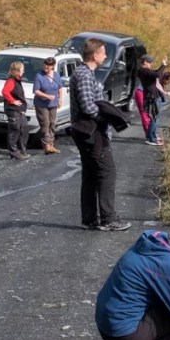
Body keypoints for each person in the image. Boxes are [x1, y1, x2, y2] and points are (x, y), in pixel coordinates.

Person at [70, 38, 131, 232]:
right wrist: (107, 119)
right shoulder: (85, 75)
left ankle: (90, 218)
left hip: (87, 131)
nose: (105, 56)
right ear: (95, 55)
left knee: (90, 175)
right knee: (107, 172)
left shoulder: (83, 73)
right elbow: (88, 106)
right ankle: (108, 218)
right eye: (103, 52)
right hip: (91, 132)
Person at [32, 56, 63, 155]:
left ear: (52, 66)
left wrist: (60, 99)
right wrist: (46, 96)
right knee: (45, 124)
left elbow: (60, 87)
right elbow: (36, 91)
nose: (46, 66)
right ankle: (46, 146)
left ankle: (51, 144)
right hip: (41, 104)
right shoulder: (39, 76)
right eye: (45, 64)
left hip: (53, 104)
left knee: (52, 123)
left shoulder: (56, 75)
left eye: (48, 65)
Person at [1, 60, 31, 161]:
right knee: (14, 131)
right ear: (17, 71)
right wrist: (13, 101)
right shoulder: (11, 81)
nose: (24, 71)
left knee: (24, 128)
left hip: (19, 110)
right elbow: (5, 92)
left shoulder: (17, 81)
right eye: (22, 70)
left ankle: (22, 150)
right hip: (13, 110)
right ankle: (14, 152)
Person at [137, 54, 166, 146]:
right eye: (149, 62)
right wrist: (163, 65)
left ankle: (152, 136)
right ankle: (151, 139)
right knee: (154, 118)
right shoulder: (143, 71)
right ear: (145, 62)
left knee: (155, 118)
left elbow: (156, 72)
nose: (151, 64)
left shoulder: (146, 71)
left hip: (153, 96)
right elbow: (157, 74)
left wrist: (163, 66)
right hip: (152, 97)